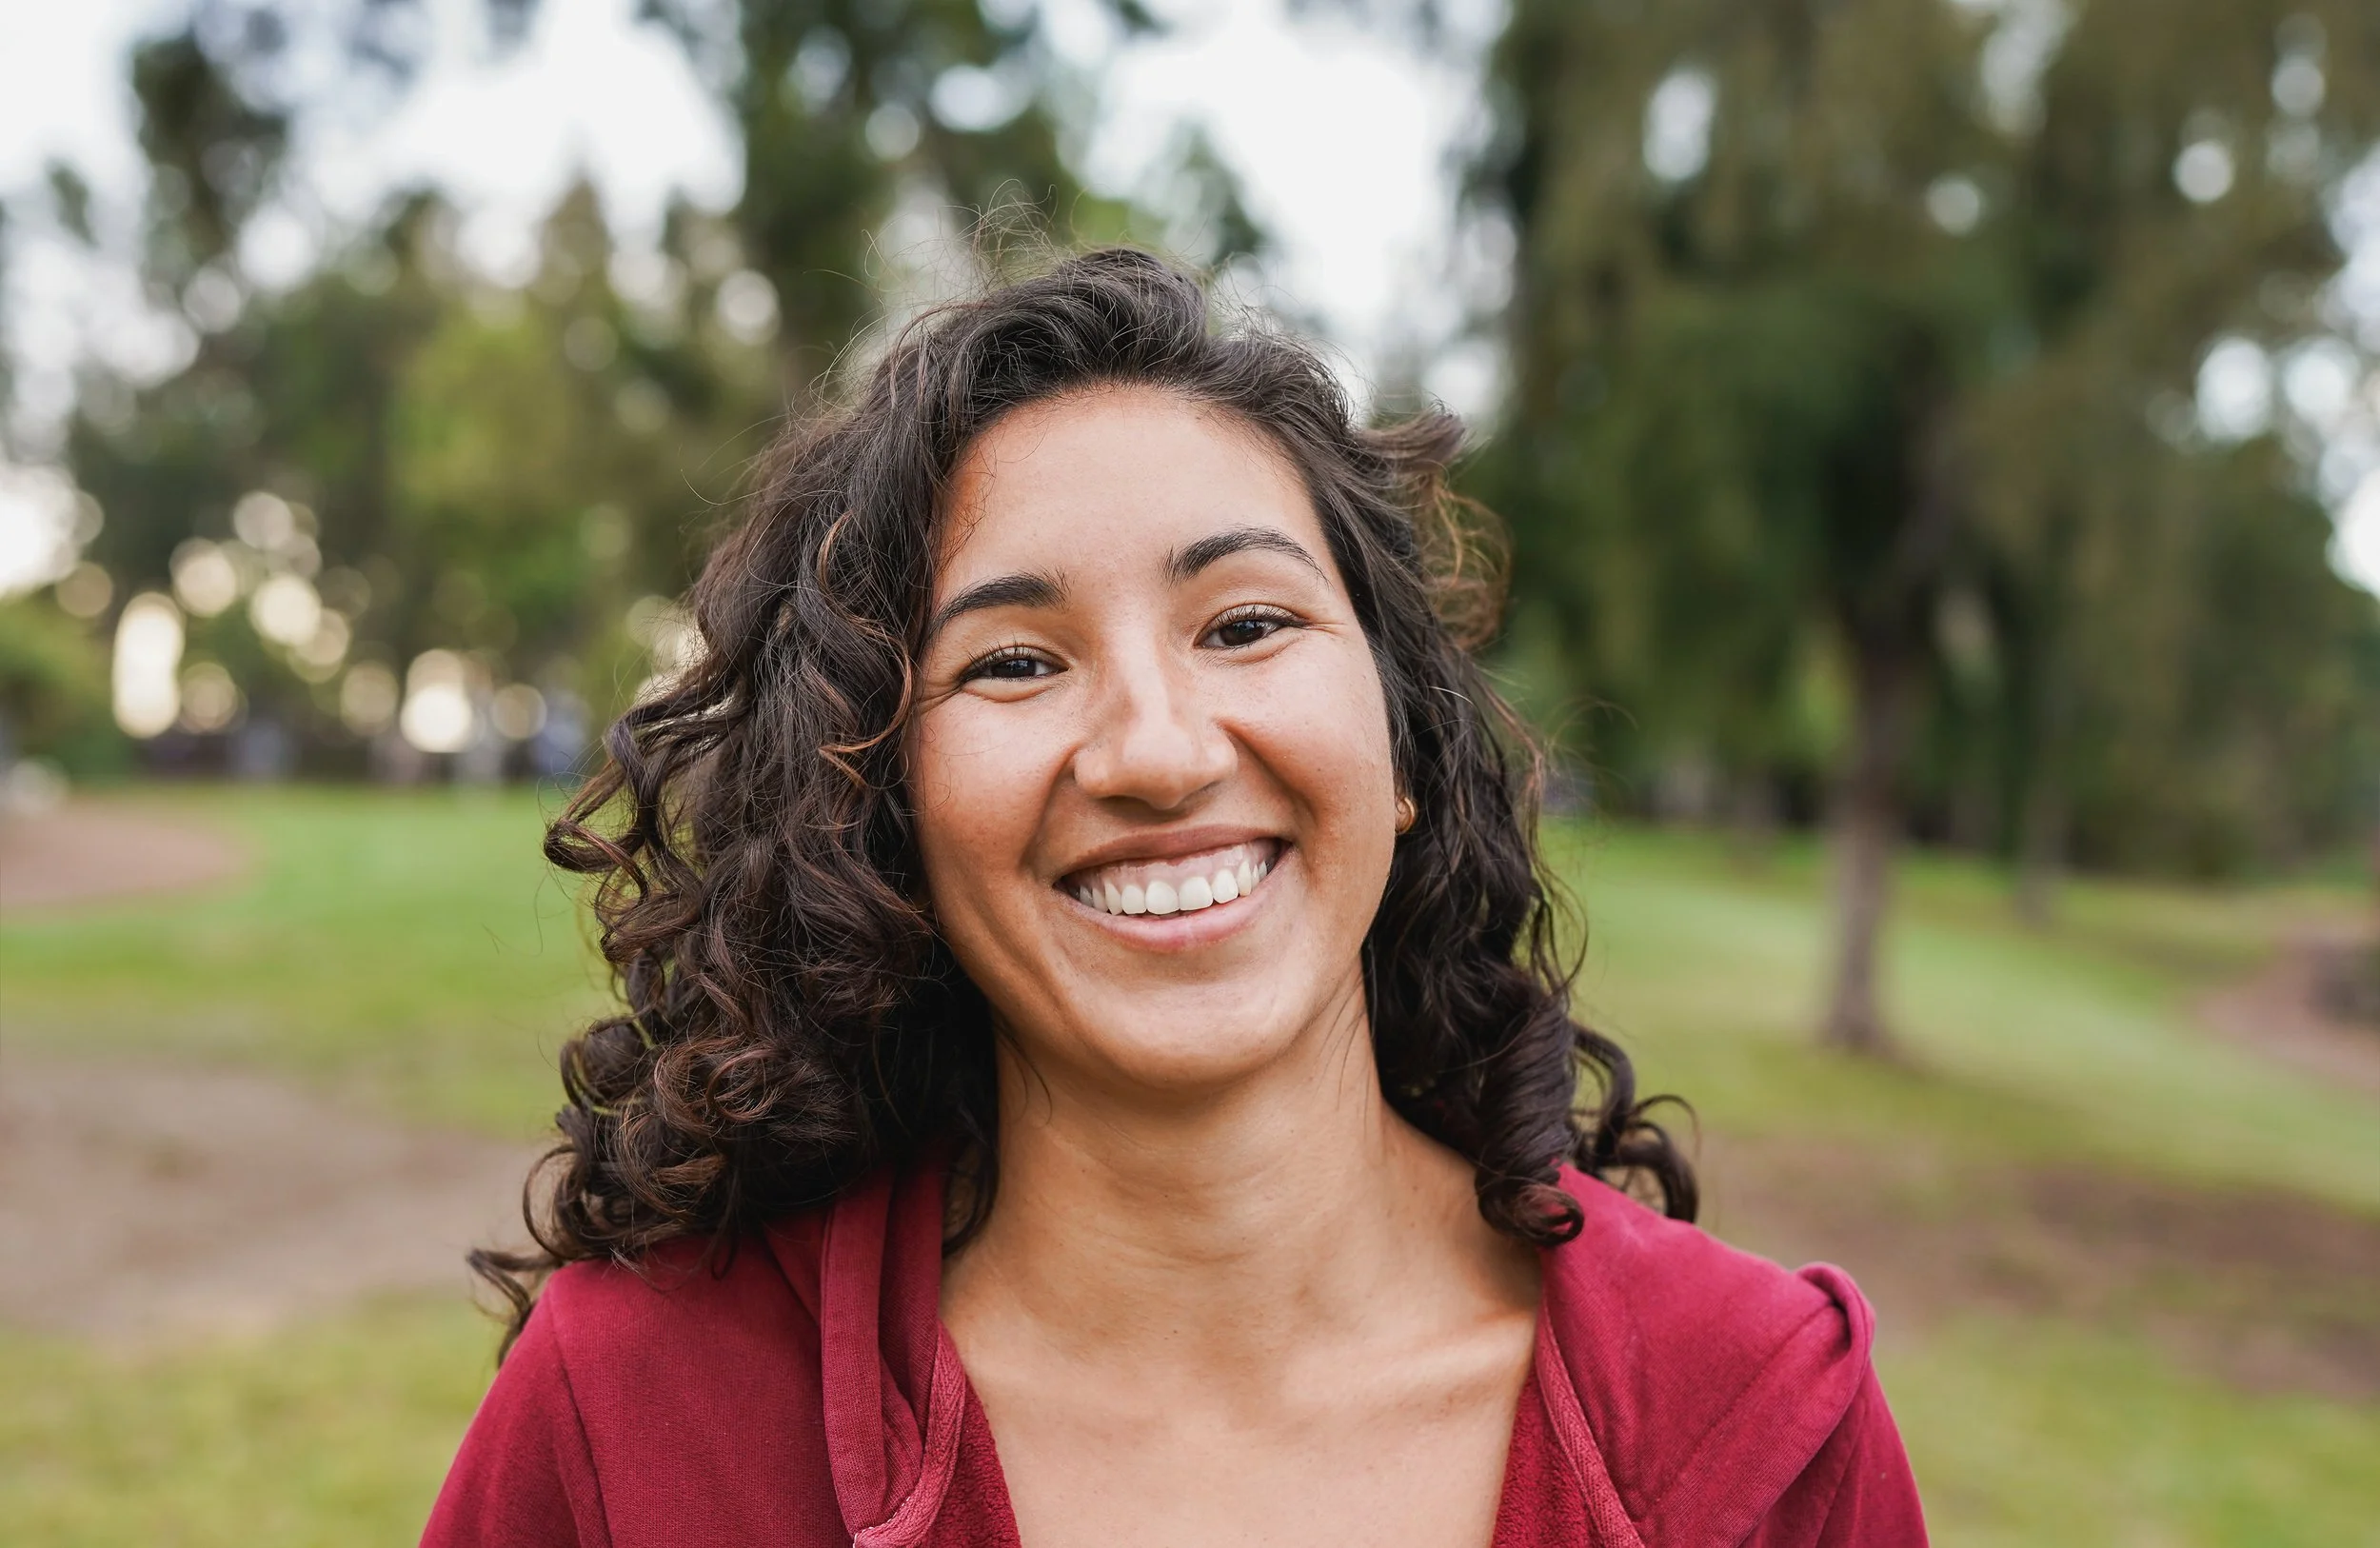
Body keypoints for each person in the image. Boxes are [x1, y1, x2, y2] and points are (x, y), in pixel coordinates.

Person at [424, 248, 1926, 1547]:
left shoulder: (1767, 1425)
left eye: (1248, 622)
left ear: (1400, 740)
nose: (1155, 749)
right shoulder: (639, 1420)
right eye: (1014, 659)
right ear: (880, 814)